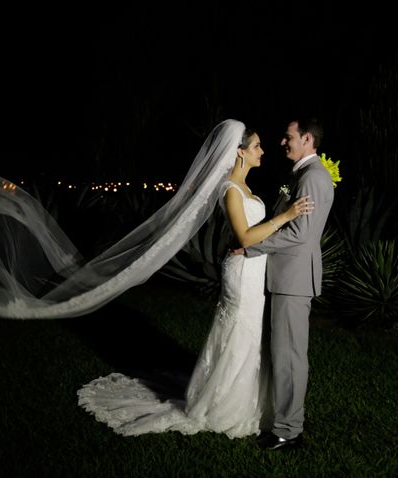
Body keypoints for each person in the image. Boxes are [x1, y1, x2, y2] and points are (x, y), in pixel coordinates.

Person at [76, 126, 314, 438]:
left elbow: (255, 231)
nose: (262, 151)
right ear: (240, 152)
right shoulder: (230, 189)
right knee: (239, 332)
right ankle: (224, 404)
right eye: (256, 146)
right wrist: (283, 217)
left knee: (252, 333)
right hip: (242, 274)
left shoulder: (246, 188)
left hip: (254, 271)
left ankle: (251, 399)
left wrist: (282, 211)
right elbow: (243, 236)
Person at [243, 118, 334, 450]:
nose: (282, 142)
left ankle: (288, 431)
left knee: (290, 357)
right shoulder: (302, 175)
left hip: (294, 279)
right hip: (288, 278)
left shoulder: (312, 177)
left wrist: (251, 246)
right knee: (284, 354)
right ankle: (283, 422)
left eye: (288, 137)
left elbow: (300, 235)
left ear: (307, 138)